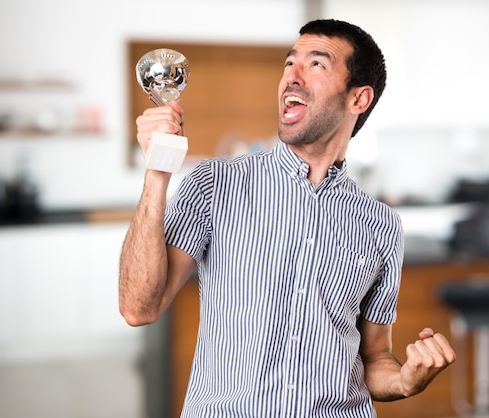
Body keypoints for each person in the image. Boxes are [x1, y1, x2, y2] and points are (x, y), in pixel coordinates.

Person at [119, 19, 455, 417]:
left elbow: (374, 357)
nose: (291, 77)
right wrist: (158, 168)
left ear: (359, 99)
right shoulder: (215, 183)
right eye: (288, 63)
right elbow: (139, 307)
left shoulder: (381, 225)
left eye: (316, 65)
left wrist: (404, 381)